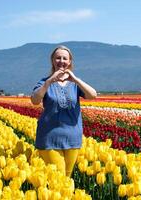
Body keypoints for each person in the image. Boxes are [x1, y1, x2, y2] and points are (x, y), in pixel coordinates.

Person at [31, 45, 97, 177]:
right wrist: (49, 82)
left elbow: (92, 95)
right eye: (58, 58)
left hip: (73, 138)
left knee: (66, 179)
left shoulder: (75, 84)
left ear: (70, 61)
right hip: (49, 138)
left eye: (64, 58)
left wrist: (76, 79)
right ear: (52, 61)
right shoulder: (44, 82)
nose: (61, 61)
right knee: (58, 177)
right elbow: (35, 100)